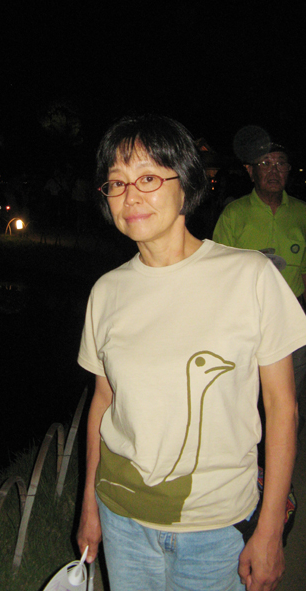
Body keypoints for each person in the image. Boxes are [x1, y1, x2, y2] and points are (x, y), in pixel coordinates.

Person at [76, 114, 306, 591]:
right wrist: (89, 507)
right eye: (116, 183)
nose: (130, 196)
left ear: (187, 185)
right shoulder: (106, 291)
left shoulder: (250, 276)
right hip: (122, 517)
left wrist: (268, 529)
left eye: (148, 178)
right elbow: (103, 402)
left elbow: (282, 406)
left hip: (217, 527)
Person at [213, 129, 306, 427]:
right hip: (246, 314)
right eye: (265, 163)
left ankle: (283, 449)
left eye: (281, 163)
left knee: (289, 396)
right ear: (250, 171)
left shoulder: (302, 213)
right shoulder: (234, 213)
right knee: (245, 393)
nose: (274, 170)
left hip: (293, 314)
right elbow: (218, 273)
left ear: (289, 170)